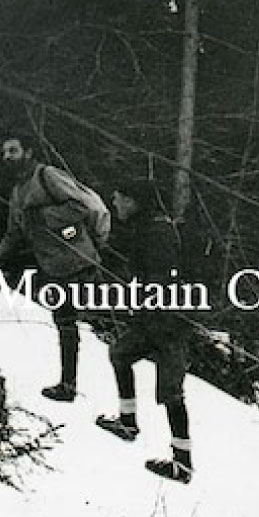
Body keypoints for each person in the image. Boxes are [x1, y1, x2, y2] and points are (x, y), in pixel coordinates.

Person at [0, 134, 106, 402]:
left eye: (13, 151)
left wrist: (44, 217)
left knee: (65, 319)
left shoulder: (47, 176)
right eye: (5, 152)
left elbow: (80, 207)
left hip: (75, 261)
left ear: (29, 152)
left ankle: (68, 385)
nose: (7, 157)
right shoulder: (17, 191)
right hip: (46, 259)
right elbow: (14, 236)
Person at [95, 178, 194, 483]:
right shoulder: (147, 228)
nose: (115, 205)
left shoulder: (159, 232)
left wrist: (143, 297)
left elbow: (161, 278)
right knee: (120, 354)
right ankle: (127, 421)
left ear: (134, 201)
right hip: (153, 320)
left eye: (119, 199)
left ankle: (183, 464)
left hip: (169, 324)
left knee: (170, 393)